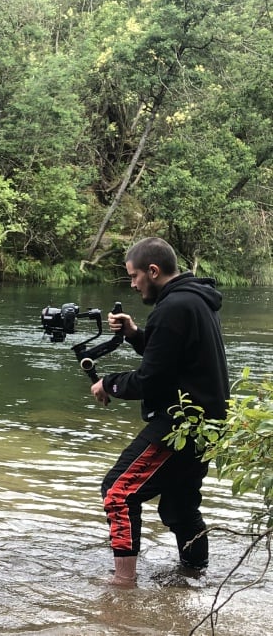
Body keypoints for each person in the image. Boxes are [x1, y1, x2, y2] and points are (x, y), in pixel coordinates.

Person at [91, 237, 229, 586]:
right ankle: (195, 579)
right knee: (181, 509)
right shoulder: (195, 301)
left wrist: (108, 384)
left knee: (117, 492)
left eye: (135, 276)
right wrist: (137, 334)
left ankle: (123, 584)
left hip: (179, 424)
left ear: (153, 271)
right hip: (205, 426)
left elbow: (151, 380)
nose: (134, 284)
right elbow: (172, 359)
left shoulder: (173, 308)